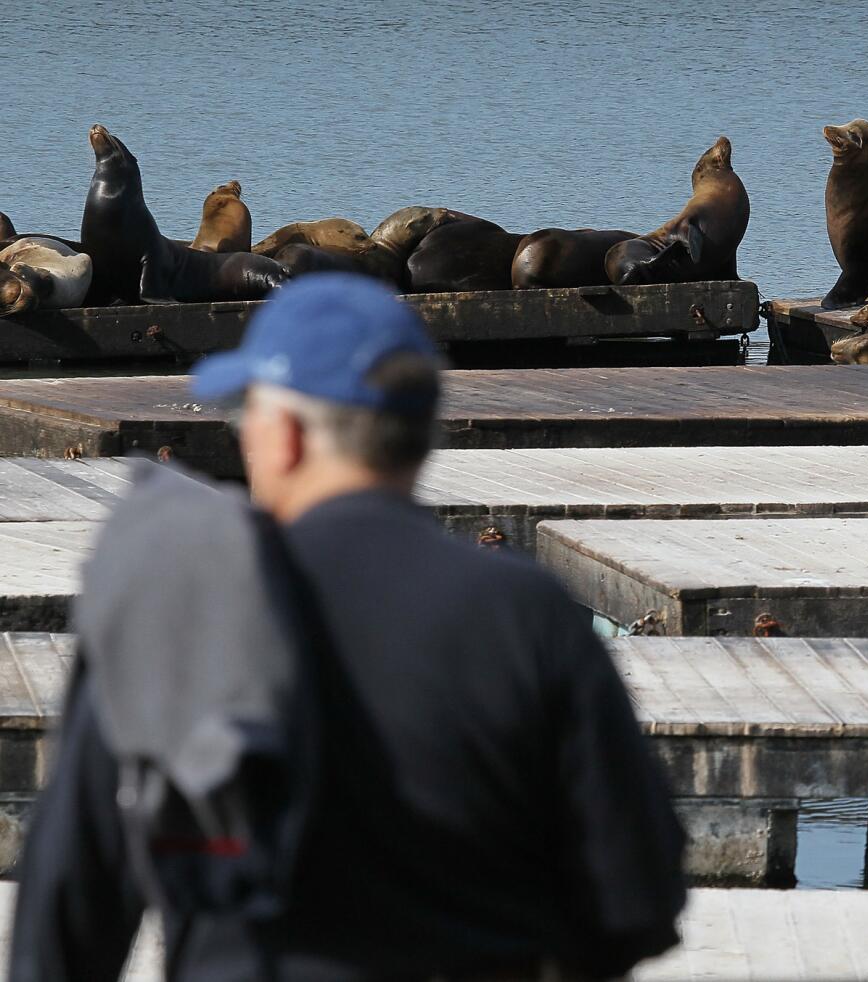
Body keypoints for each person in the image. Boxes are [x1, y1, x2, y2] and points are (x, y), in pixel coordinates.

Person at [10, 273, 686, 980]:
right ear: (418, 438)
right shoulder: (528, 615)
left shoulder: (175, 601)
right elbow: (636, 900)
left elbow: (65, 917)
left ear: (289, 437)